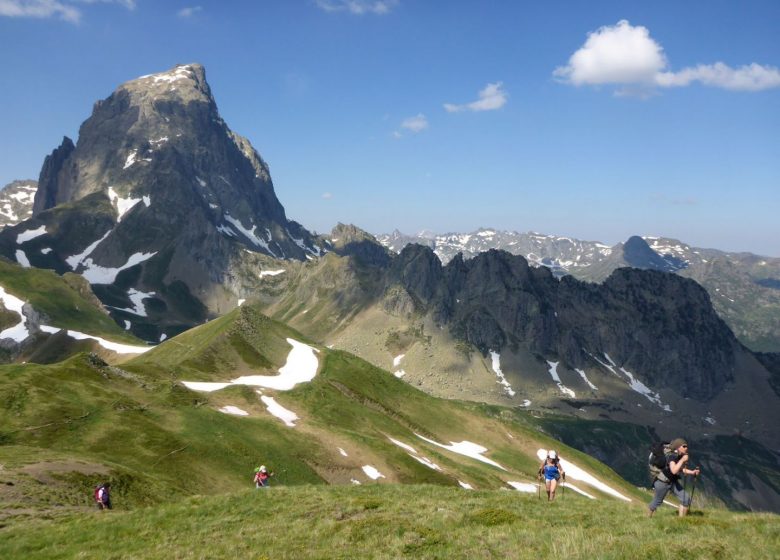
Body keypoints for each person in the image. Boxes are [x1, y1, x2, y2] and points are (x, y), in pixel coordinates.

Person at [648, 438, 701, 517]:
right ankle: (647, 517)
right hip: (662, 482)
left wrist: (692, 472)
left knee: (685, 499)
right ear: (678, 447)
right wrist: (682, 460)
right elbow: (674, 471)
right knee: (657, 502)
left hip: (672, 481)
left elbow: (679, 469)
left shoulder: (679, 455)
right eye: (684, 446)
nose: (686, 448)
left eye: (686, 446)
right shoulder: (672, 456)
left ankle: (682, 521)